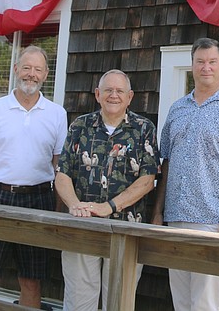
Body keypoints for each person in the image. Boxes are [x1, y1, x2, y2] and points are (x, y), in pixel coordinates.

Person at [152, 37, 219, 311]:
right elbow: (166, 164)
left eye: (212, 62)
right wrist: (158, 213)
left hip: (212, 221)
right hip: (175, 217)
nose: (206, 67)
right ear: (192, 66)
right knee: (181, 301)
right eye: (200, 62)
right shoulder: (177, 109)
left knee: (206, 304)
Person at [0, 45, 68, 309]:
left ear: (45, 75)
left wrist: (60, 210)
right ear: (16, 69)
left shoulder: (57, 114)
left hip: (38, 199)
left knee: (31, 280)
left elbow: (60, 167)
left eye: (38, 70)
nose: (31, 74)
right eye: (27, 67)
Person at [54, 69, 160, 311]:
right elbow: (62, 174)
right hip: (82, 227)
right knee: (79, 303)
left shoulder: (144, 128)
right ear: (97, 94)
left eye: (120, 91)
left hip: (126, 229)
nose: (114, 95)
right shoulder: (80, 126)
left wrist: (109, 207)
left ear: (130, 96)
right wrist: (73, 204)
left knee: (119, 304)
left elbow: (147, 179)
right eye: (108, 90)